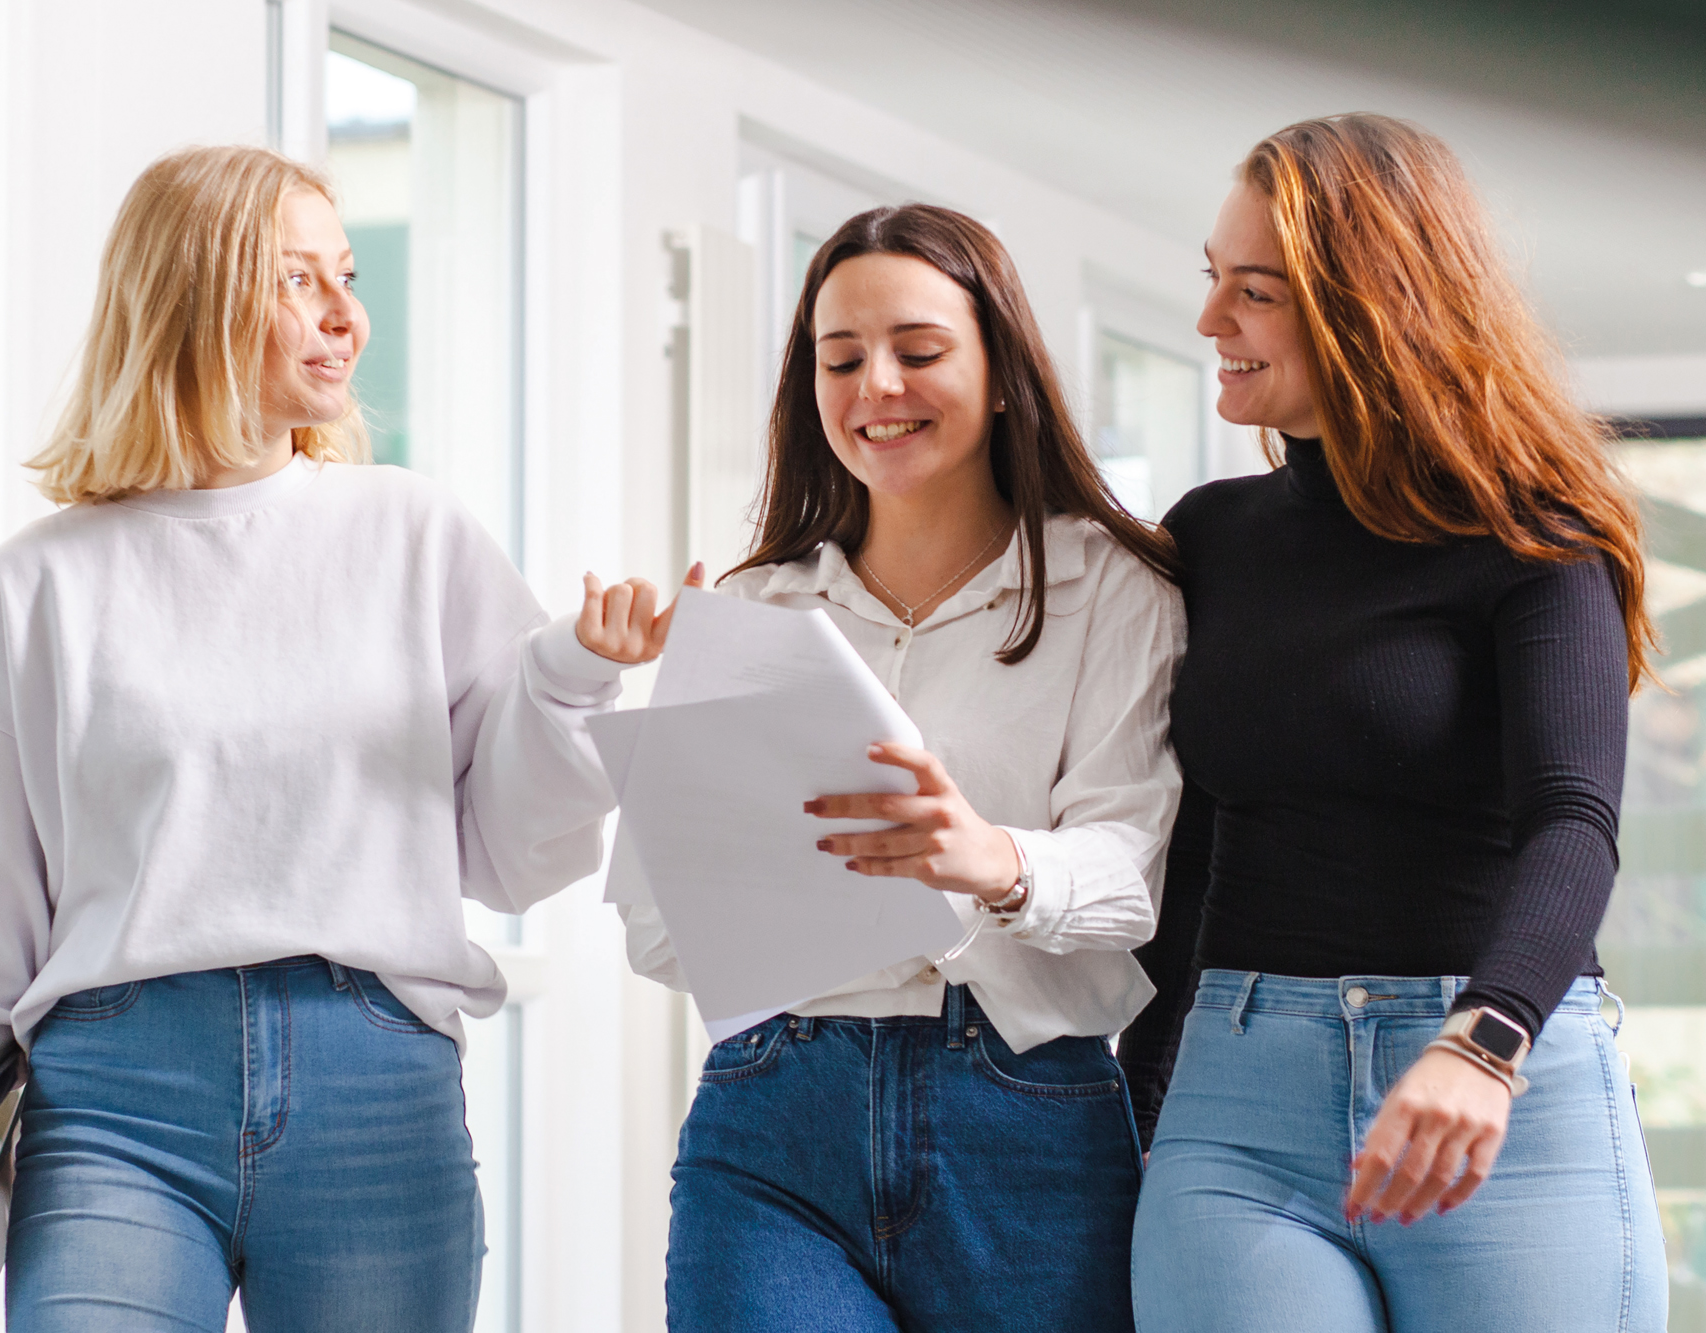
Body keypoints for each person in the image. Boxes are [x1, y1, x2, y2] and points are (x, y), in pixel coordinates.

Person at [0, 144, 694, 1333]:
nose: (346, 316)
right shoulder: (37, 586)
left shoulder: (413, 533)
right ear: (193, 293)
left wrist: (567, 680)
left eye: (345, 277)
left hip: (373, 1090)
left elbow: (509, 854)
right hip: (112, 1098)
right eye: (296, 279)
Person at [1121, 113, 1666, 1332]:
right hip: (1235, 1100)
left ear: (1373, 306)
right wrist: (1132, 1096)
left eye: (1252, 292)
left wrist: (1486, 1040)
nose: (1210, 322)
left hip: (1498, 1098)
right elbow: (1192, 849)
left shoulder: (1534, 537)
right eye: (1212, 282)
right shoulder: (1208, 536)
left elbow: (1572, 822)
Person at [624, 204, 1184, 1332]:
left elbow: (1134, 878)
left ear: (1001, 372)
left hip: (1024, 1119)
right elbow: (655, 929)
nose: (875, 385)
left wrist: (992, 862)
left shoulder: (1115, 587)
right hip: (775, 1112)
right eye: (840, 359)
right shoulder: (751, 609)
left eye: (917, 352)